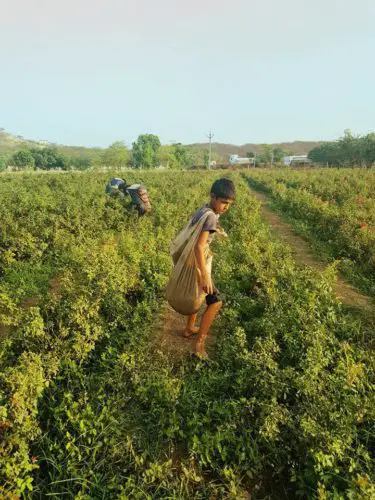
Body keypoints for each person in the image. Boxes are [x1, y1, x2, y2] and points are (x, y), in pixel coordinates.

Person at [182, 178, 235, 358]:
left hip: (190, 262)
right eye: (224, 202)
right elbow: (198, 246)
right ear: (213, 197)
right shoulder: (211, 216)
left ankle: (190, 328)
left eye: (229, 204)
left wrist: (217, 230)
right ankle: (199, 344)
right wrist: (204, 275)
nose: (226, 207)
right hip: (197, 263)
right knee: (216, 301)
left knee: (199, 294)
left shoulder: (204, 210)